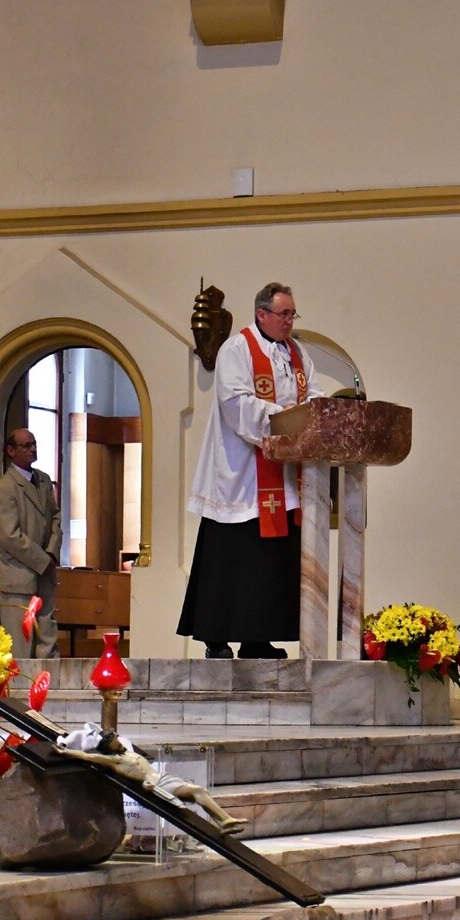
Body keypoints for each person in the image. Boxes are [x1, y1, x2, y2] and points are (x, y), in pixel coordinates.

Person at [177, 282, 325, 659]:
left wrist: (315, 416)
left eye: (293, 314)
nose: (290, 321)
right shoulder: (237, 349)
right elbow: (236, 403)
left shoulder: (297, 353)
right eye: (284, 314)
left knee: (270, 562)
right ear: (262, 314)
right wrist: (288, 421)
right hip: (241, 472)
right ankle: (216, 635)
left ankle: (258, 637)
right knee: (230, 559)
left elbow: (315, 396)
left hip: (282, 471)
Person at [54, 724, 248, 836]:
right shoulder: (114, 761)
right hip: (157, 786)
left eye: (117, 738)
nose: (119, 741)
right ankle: (224, 821)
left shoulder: (128, 752)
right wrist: (66, 750)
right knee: (197, 791)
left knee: (199, 791)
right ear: (110, 747)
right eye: (115, 741)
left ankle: (223, 821)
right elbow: (88, 757)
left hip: (164, 778)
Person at [0, 428, 62, 658]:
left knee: (47, 638)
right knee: (21, 644)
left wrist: (51, 553)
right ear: (11, 451)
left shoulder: (43, 480)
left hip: (43, 572)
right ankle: (20, 693)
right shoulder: (5, 487)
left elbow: (56, 518)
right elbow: (9, 536)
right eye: (26, 445)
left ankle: (49, 688)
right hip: (17, 575)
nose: (33, 449)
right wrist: (42, 560)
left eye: (34, 444)